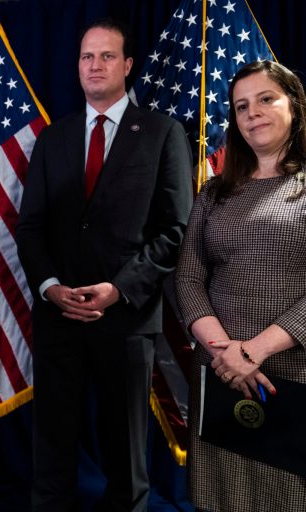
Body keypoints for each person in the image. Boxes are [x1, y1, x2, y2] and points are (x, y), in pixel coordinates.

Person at [16, 19, 193, 511]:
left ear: (127, 65)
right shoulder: (54, 138)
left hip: (127, 320)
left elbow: (175, 229)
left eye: (106, 56)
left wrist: (118, 289)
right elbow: (30, 227)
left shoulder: (162, 133)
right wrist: (50, 286)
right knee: (50, 458)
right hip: (58, 318)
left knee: (125, 460)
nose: (94, 66)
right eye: (86, 57)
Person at [175, 60, 306, 511]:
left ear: (295, 107)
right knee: (220, 495)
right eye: (241, 106)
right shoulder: (214, 193)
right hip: (219, 373)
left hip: (292, 371)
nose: (252, 113)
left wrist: (256, 351)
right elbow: (189, 275)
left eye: (266, 99)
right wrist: (226, 353)